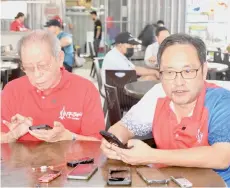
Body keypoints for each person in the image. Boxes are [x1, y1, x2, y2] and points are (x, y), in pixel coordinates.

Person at [100, 33, 230, 186]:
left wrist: (152, 156)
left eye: (188, 71)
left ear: (204, 70)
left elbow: (221, 157)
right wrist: (114, 142)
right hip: (168, 182)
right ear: (160, 73)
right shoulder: (158, 95)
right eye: (169, 72)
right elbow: (124, 127)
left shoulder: (221, 101)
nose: (178, 82)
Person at [1, 30, 105, 143]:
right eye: (29, 68)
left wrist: (70, 137)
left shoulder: (85, 90)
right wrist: (12, 135)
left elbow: (97, 143)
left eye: (43, 66)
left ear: (60, 58)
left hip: (71, 160)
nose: (36, 75)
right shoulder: (12, 90)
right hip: (22, 160)